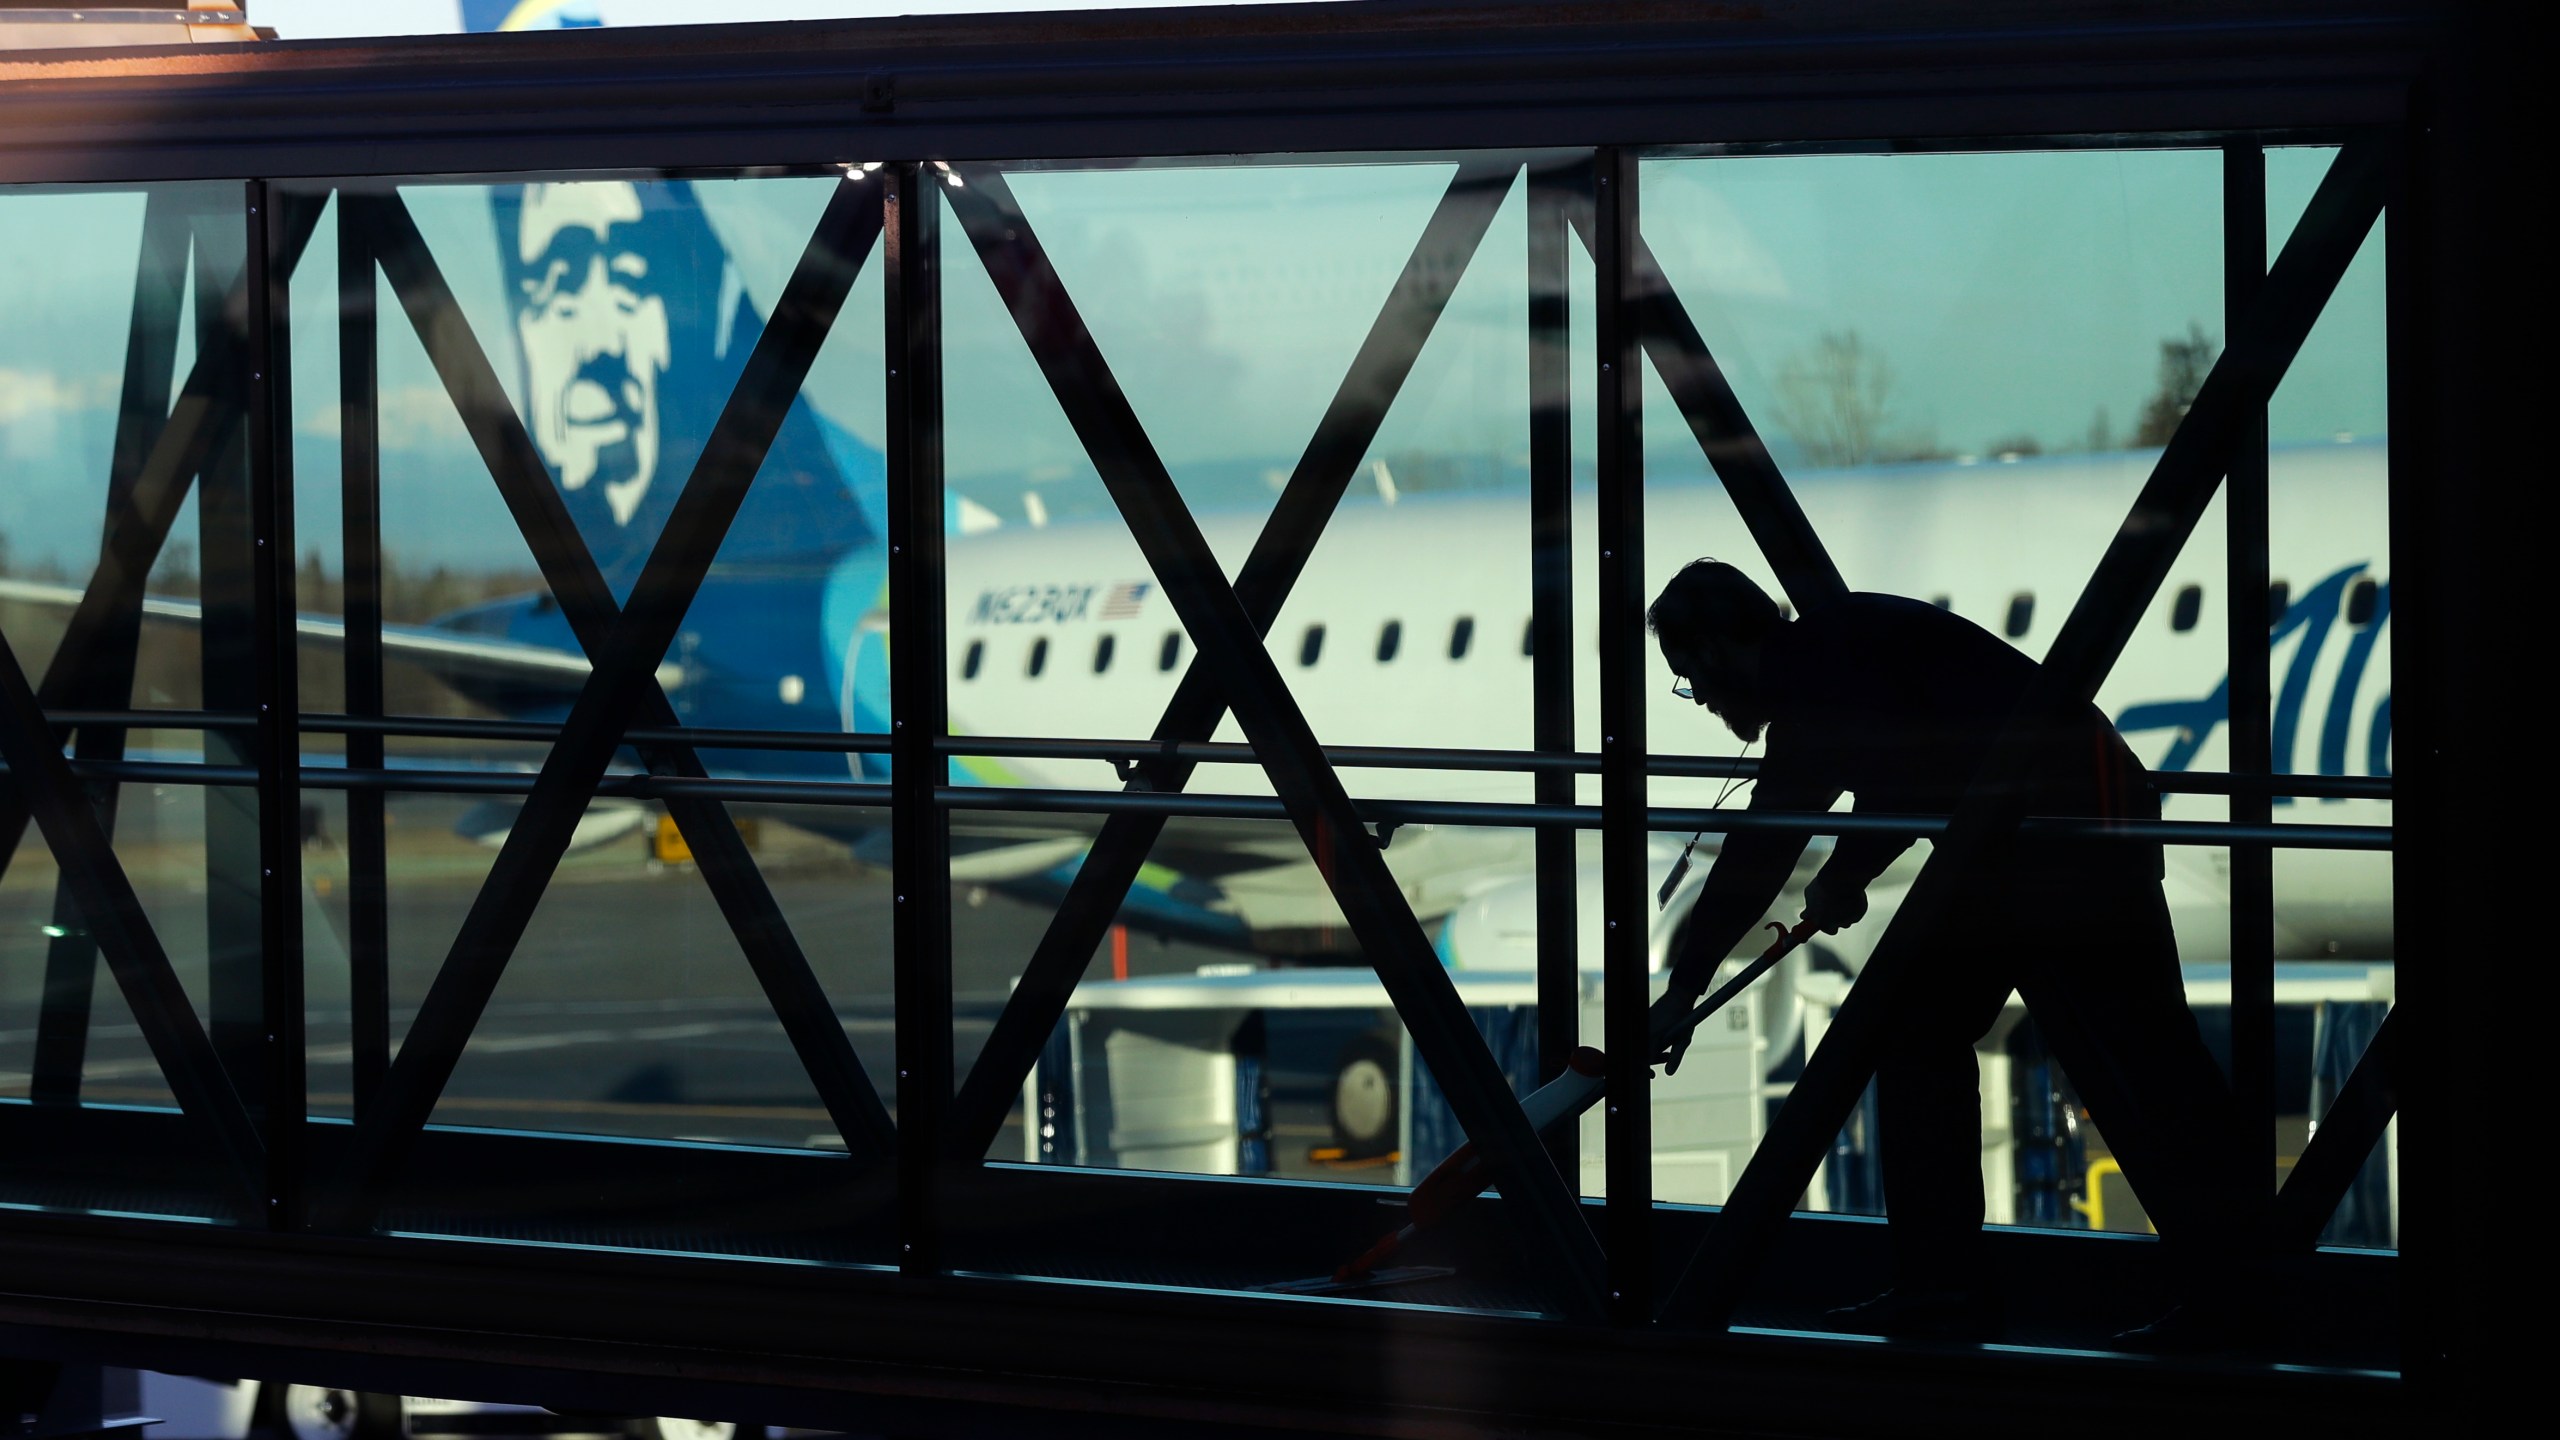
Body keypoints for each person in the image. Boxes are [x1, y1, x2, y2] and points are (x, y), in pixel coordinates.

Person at [1644, 559, 2243, 1343]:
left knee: (1945, 1035)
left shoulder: (1818, 684)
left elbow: (1793, 832)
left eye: (1690, 679)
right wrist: (1838, 878)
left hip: (2047, 844)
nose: (1705, 701)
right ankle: (2237, 1283)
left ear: (1717, 651)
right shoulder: (1835, 655)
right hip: (2068, 826)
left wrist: (1696, 981)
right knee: (2148, 1057)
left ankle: (1950, 1285)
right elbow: (1876, 791)